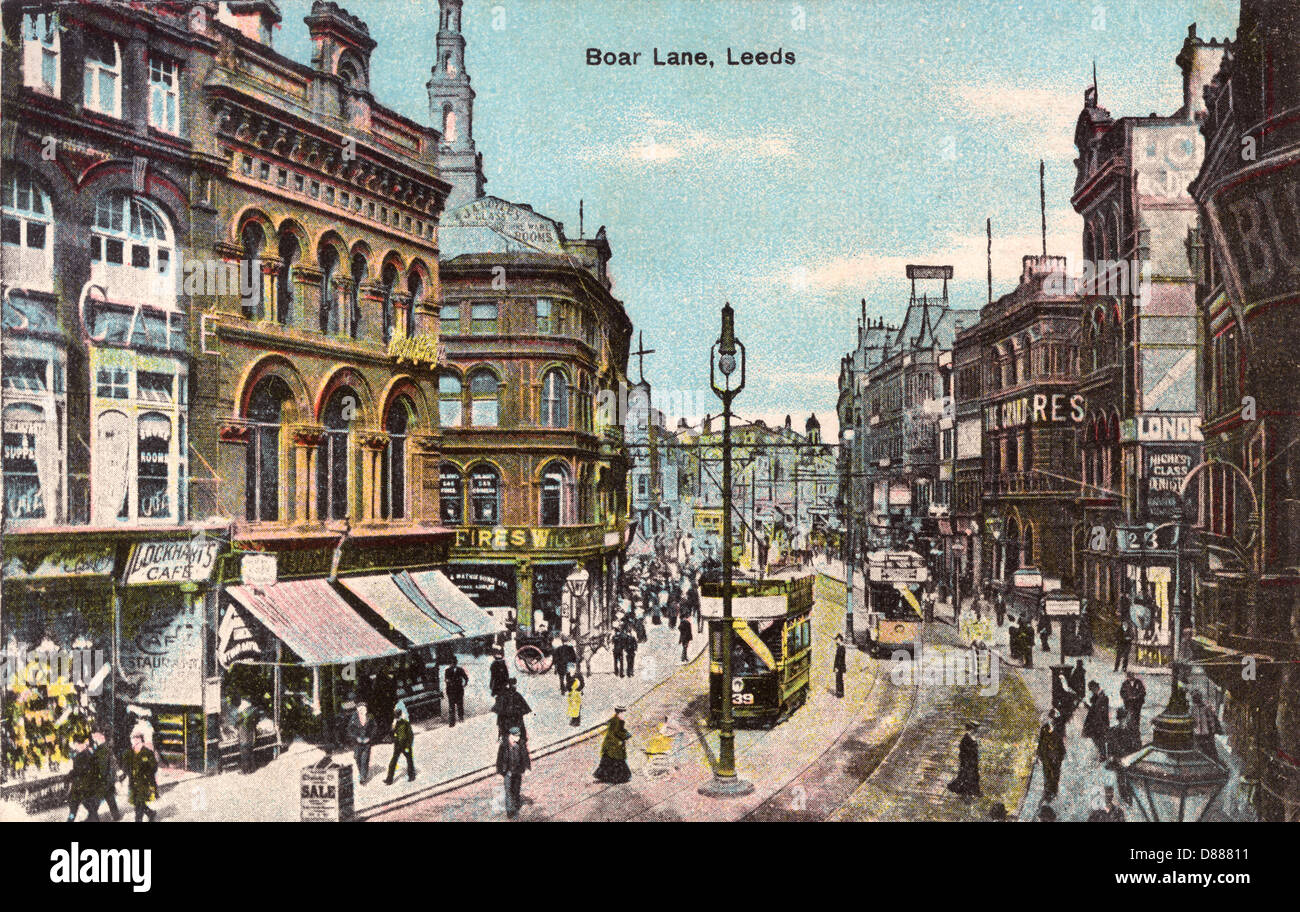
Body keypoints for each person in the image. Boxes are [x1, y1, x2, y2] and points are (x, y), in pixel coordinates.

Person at [120, 731, 158, 822]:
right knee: (138, 802)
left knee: (139, 803)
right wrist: (125, 774)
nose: (135, 741)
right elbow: (125, 766)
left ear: (142, 741)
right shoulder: (128, 753)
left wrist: (146, 772)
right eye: (133, 739)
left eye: (137, 739)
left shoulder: (147, 753)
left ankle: (138, 820)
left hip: (145, 782)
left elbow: (154, 767)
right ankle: (150, 813)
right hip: (133, 782)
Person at [496, 726, 530, 818]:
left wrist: (527, 768)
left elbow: (525, 756)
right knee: (508, 791)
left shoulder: (521, 744)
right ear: (510, 736)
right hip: (507, 772)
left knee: (516, 790)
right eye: (515, 736)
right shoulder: (504, 745)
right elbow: (499, 759)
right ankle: (510, 812)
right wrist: (499, 772)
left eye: (518, 736)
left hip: (517, 772)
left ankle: (516, 805)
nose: (517, 738)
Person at [593, 707, 633, 784]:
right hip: (613, 745)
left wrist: (625, 733)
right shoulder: (617, 721)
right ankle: (617, 777)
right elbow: (617, 732)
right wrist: (626, 735)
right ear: (619, 713)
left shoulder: (617, 720)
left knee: (609, 761)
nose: (624, 715)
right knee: (616, 760)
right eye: (623, 713)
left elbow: (620, 730)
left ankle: (607, 776)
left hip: (612, 745)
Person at [66, 737, 101, 822]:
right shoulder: (84, 754)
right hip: (82, 785)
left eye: (78, 745)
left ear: (82, 745)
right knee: (77, 804)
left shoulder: (85, 755)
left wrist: (71, 775)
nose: (76, 747)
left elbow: (81, 770)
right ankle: (92, 817)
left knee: (79, 804)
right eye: (75, 745)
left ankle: (92, 818)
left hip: (84, 785)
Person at [492, 678, 532, 749]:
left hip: (509, 724)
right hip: (514, 723)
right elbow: (524, 708)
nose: (514, 686)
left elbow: (499, 712)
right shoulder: (514, 695)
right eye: (513, 685)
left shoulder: (504, 696)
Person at [91, 731, 121, 822]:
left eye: (95, 737)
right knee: (109, 797)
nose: (94, 739)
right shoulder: (102, 747)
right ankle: (115, 815)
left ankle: (93, 817)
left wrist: (116, 779)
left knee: (97, 799)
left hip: (105, 778)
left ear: (101, 737)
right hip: (106, 778)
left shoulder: (104, 748)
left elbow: (111, 764)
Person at [1036, 714, 1066, 803]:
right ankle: (1049, 792)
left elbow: (1061, 746)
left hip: (1053, 756)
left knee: (1054, 775)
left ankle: (1051, 792)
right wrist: (1039, 754)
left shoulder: (1056, 731)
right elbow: (1041, 742)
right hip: (1048, 756)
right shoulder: (1046, 729)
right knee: (1049, 774)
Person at [946, 721, 981, 797]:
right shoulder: (966, 739)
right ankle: (967, 791)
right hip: (967, 762)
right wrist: (966, 761)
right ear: (970, 729)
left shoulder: (972, 738)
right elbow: (963, 752)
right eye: (974, 729)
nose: (976, 731)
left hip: (972, 761)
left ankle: (972, 791)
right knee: (966, 776)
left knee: (973, 775)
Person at [346, 701, 377, 784]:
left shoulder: (370, 717)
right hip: (357, 743)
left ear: (366, 709)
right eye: (360, 709)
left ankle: (363, 777)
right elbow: (349, 730)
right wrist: (356, 738)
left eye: (364, 708)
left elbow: (374, 728)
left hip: (367, 743)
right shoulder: (353, 718)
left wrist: (369, 738)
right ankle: (362, 772)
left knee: (364, 759)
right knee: (357, 757)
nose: (362, 710)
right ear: (357, 710)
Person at [384, 703, 416, 784]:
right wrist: (393, 727)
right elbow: (391, 734)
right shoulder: (395, 724)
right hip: (398, 745)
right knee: (393, 762)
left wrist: (408, 745)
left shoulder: (405, 723)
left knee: (409, 761)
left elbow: (410, 735)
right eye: (395, 717)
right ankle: (389, 779)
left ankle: (411, 776)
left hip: (405, 745)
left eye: (397, 716)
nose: (396, 718)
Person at [1082, 681, 1111, 762]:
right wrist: (1088, 706)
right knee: (1097, 739)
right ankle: (1102, 755)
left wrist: (1089, 707)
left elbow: (1100, 711)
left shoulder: (1103, 697)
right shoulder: (1097, 696)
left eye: (1092, 689)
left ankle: (1103, 756)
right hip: (1096, 722)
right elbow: (1095, 709)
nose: (1091, 691)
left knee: (1100, 739)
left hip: (1100, 722)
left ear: (1095, 687)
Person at [1190, 691, 1221, 761]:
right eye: (1194, 698)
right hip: (1199, 732)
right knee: (1201, 750)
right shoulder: (1193, 708)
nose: (1195, 699)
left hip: (1205, 732)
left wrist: (1212, 731)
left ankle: (1215, 762)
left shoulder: (1205, 708)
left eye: (1196, 698)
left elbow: (1211, 720)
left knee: (1209, 749)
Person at [235, 697, 259, 774]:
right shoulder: (253, 710)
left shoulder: (242, 712)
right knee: (251, 751)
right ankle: (252, 768)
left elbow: (237, 722)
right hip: (251, 734)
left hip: (244, 735)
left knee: (244, 753)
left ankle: (245, 770)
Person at [444, 656, 469, 728]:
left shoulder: (457, 670)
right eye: (452, 663)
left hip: (455, 690)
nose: (453, 664)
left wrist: (464, 684)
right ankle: (455, 721)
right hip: (454, 690)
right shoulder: (450, 670)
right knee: (455, 706)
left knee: (456, 705)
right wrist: (464, 684)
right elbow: (446, 679)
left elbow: (466, 678)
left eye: (453, 662)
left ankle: (457, 720)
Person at [833, 634, 847, 699]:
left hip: (839, 667)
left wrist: (837, 668)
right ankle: (839, 692)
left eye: (837, 640)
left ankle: (840, 693)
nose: (836, 641)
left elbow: (839, 659)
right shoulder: (841, 647)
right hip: (840, 666)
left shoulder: (841, 648)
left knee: (839, 680)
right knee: (839, 679)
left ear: (840, 640)